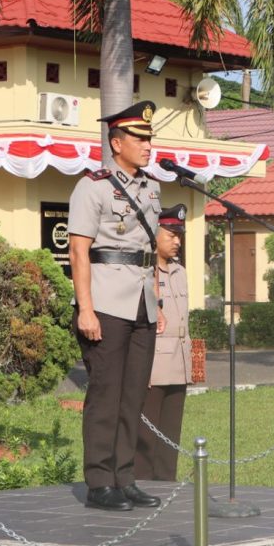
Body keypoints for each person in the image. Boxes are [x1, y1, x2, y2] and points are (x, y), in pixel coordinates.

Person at [68, 100, 164, 511]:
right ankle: (99, 481)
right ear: (116, 142)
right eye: (139, 139)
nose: (147, 146)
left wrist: (156, 304)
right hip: (105, 302)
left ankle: (125, 478)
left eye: (149, 138)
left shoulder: (152, 187)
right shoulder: (93, 185)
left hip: (142, 303)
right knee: (106, 394)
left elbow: (150, 252)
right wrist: (85, 309)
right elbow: (78, 251)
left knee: (132, 395)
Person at [136, 205, 192, 481]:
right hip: (153, 366)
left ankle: (166, 485)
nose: (177, 241)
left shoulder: (180, 272)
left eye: (178, 235)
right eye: (170, 234)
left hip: (178, 365)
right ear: (153, 235)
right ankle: (144, 486)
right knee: (147, 436)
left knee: (171, 436)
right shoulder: (143, 273)